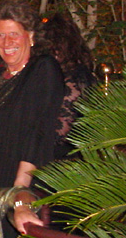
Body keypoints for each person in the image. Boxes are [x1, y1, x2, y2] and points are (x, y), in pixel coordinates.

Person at [0, 0, 64, 238]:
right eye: (1, 35)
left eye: (14, 34)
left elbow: (38, 132)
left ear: (31, 36)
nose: (7, 42)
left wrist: (19, 192)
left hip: (16, 182)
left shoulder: (43, 69)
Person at [44, 13, 96, 160]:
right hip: (73, 155)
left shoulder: (72, 79)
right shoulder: (78, 73)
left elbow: (61, 133)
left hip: (67, 160)